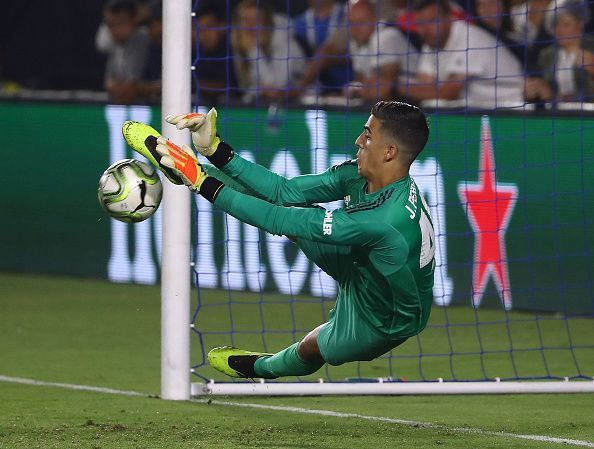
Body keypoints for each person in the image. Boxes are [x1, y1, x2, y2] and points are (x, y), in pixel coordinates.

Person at [122, 101, 436, 379]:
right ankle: (189, 165)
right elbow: (285, 192)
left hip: (385, 317)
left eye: (367, 135)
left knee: (313, 346)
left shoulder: (386, 220)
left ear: (389, 152)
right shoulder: (361, 174)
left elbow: (279, 219)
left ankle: (261, 368)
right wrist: (216, 150)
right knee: (291, 210)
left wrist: (204, 185)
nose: (358, 140)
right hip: (362, 263)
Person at [399, 0, 524, 109]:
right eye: (420, 23)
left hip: (514, 108)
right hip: (478, 112)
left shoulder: (470, 38)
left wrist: (395, 87)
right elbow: (426, 88)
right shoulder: (430, 42)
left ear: (449, 17)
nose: (426, 29)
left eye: (432, 21)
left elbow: (446, 94)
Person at [344, 0, 419, 102]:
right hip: (395, 103)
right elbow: (361, 80)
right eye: (352, 23)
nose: (356, 28)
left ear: (374, 19)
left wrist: (358, 90)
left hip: (416, 99)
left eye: (361, 22)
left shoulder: (385, 36)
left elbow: (383, 89)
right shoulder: (355, 42)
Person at [231, 0, 305, 103]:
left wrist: (254, 51)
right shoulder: (242, 43)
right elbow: (246, 86)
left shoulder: (283, 41)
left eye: (256, 19)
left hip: (303, 102)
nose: (250, 25)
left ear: (266, 22)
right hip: (265, 103)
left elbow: (276, 87)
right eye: (245, 19)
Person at [525, 0, 594, 103]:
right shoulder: (546, 55)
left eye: (566, 24)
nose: (559, 30)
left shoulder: (591, 48)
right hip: (557, 115)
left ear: (580, 25)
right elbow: (542, 92)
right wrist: (533, 91)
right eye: (555, 25)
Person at [95, 0, 151, 104]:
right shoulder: (113, 44)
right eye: (111, 25)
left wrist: (137, 88)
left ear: (135, 20)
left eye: (121, 23)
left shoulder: (145, 40)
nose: (116, 30)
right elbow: (109, 82)